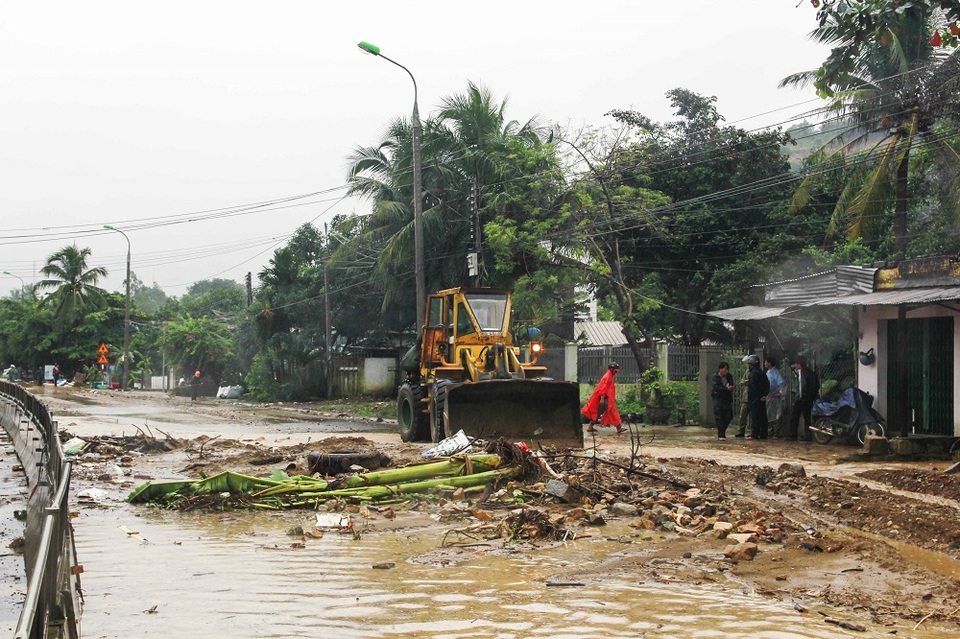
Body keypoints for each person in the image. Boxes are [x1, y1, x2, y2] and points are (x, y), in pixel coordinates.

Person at [581, 362, 626, 434]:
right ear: (611, 369)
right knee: (604, 412)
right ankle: (618, 427)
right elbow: (603, 388)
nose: (616, 372)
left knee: (607, 412)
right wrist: (602, 398)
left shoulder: (609, 375)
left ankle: (618, 428)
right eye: (615, 371)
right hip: (605, 399)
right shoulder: (607, 377)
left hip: (607, 399)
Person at [787, 356, 819, 441]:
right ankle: (808, 436)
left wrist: (800, 396)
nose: (796, 366)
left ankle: (792, 435)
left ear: (799, 364)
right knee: (807, 417)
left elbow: (803, 386)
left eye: (797, 364)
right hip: (808, 398)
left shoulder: (802, 373)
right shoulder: (811, 373)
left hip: (802, 398)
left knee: (795, 417)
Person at [746, 354, 769, 440]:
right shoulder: (762, 373)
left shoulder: (752, 374)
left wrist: (759, 396)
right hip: (762, 399)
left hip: (754, 399)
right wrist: (764, 395)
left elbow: (753, 387)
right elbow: (767, 386)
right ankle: (763, 434)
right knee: (763, 416)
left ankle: (754, 434)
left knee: (755, 417)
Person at [711, 361, 735, 440]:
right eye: (725, 369)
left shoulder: (729, 376)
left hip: (727, 398)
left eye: (727, 369)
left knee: (729, 415)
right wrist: (726, 389)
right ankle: (721, 434)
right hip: (717, 398)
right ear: (720, 369)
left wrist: (730, 388)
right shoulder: (715, 377)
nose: (726, 371)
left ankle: (722, 431)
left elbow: (731, 384)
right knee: (719, 415)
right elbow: (716, 388)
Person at [763, 356, 786, 438]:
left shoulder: (776, 373)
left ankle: (777, 432)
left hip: (774, 397)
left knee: (776, 415)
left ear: (769, 363)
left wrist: (780, 393)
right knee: (769, 414)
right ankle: (771, 431)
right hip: (770, 396)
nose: (764, 363)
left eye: (766, 362)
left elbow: (782, 384)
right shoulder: (769, 372)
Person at [733, 361, 751, 438]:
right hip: (746, 396)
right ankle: (741, 430)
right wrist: (748, 381)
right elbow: (742, 381)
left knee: (754, 416)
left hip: (754, 396)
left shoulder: (757, 372)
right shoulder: (747, 372)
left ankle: (754, 431)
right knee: (742, 414)